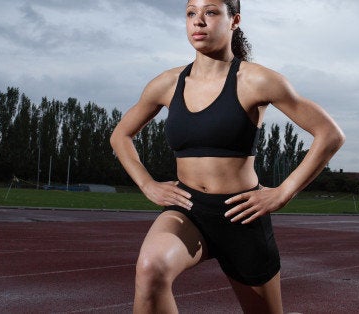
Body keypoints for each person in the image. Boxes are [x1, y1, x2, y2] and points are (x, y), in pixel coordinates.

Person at [109, 0, 345, 312]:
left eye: (210, 12)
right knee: (151, 268)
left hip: (243, 215)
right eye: (191, 13)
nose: (198, 22)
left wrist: (283, 193)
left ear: (234, 20)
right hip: (188, 209)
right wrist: (147, 184)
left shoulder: (257, 80)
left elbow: (330, 134)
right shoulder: (167, 83)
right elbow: (120, 135)